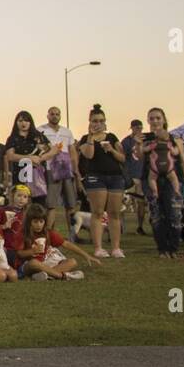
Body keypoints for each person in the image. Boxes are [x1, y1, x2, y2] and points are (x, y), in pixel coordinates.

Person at [76, 105, 128, 259]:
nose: (97, 123)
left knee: (114, 213)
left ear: (105, 122)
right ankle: (98, 248)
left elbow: (123, 158)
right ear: (89, 122)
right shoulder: (85, 139)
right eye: (94, 121)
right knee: (98, 212)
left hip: (115, 177)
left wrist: (111, 150)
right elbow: (89, 155)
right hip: (96, 177)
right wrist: (91, 137)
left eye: (100, 121)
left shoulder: (112, 137)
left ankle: (116, 248)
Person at [141, 107, 184, 260]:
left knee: (174, 216)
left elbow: (182, 161)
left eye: (158, 118)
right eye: (151, 118)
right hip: (151, 180)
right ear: (148, 121)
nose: (155, 121)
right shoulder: (145, 139)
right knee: (157, 217)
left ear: (164, 119)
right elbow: (139, 158)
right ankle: (162, 249)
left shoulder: (174, 139)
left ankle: (174, 249)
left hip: (171, 179)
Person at [17, 204, 96, 280]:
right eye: (35, 222)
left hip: (45, 263)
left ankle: (45, 275)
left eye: (41, 221)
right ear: (29, 222)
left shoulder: (48, 233)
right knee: (34, 263)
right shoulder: (23, 234)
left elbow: (66, 244)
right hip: (28, 265)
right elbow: (19, 254)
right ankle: (62, 276)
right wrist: (32, 251)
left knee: (72, 262)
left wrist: (86, 255)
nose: (39, 225)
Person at [38, 106, 79, 235]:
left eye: (57, 114)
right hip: (50, 169)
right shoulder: (41, 130)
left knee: (71, 204)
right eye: (52, 114)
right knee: (51, 204)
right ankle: (49, 233)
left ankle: (73, 234)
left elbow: (72, 151)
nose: (55, 116)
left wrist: (75, 169)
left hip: (66, 170)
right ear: (48, 115)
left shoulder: (67, 132)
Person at [3, 111, 51, 206]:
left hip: (37, 176)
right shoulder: (12, 138)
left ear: (31, 122)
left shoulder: (39, 136)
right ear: (16, 123)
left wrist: (40, 158)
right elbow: (10, 156)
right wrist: (29, 158)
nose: (23, 123)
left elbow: (52, 149)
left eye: (26, 120)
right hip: (21, 175)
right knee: (21, 204)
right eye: (20, 121)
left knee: (39, 204)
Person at [121, 119, 149, 235]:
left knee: (141, 202)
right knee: (122, 203)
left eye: (140, 127)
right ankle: (120, 227)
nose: (139, 129)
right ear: (131, 128)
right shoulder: (126, 141)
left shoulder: (146, 140)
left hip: (143, 174)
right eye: (136, 127)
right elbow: (122, 157)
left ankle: (140, 226)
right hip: (130, 174)